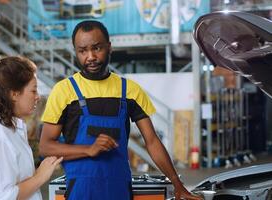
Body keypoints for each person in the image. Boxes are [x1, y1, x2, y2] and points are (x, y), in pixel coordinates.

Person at [39, 20, 202, 200]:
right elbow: (46, 146)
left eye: (97, 48)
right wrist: (89, 149)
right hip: (81, 191)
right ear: (76, 52)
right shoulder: (64, 91)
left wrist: (177, 184)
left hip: (119, 189)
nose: (90, 56)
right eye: (82, 51)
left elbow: (152, 141)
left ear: (109, 47)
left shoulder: (130, 91)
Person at [0, 56, 62, 200]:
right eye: (33, 91)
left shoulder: (12, 131)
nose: (37, 97)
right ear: (14, 94)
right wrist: (40, 176)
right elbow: (3, 196)